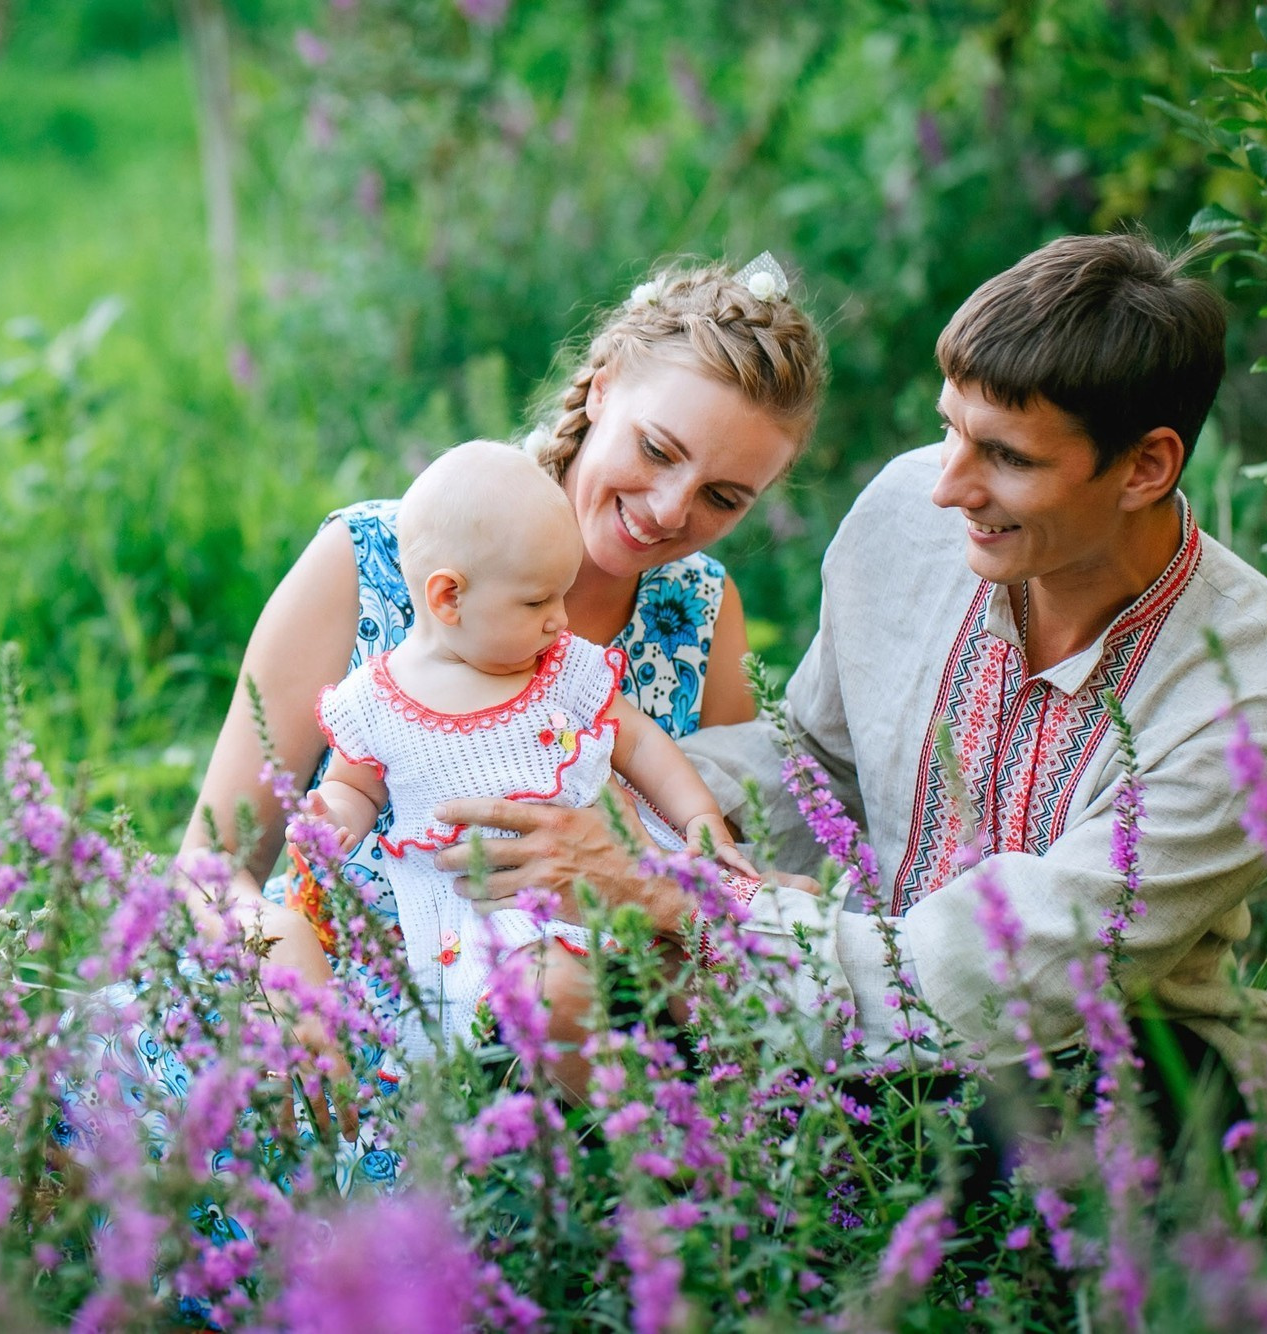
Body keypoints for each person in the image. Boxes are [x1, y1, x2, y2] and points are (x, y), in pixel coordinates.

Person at [439, 233, 1267, 1133]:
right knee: (540, 1009)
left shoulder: (1251, 703)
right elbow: (811, 762)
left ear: (1145, 467)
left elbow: (1003, 987)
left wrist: (686, 898)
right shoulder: (909, 514)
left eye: (1008, 458)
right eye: (951, 429)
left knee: (1022, 1140)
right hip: (836, 990)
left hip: (1098, 1065)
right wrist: (585, 805)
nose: (947, 488)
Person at [168, 256, 828, 1092]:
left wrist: (715, 896)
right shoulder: (372, 563)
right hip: (320, 1034)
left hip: (548, 1070)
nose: (670, 509)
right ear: (602, 389)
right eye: (657, 449)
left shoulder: (697, 612)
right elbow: (207, 866)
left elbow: (697, 873)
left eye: (724, 498)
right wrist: (284, 967)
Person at [285, 440, 753, 1090]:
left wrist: (700, 817)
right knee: (552, 995)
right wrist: (331, 819)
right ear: (448, 597)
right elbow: (353, 787)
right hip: (495, 907)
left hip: (615, 871)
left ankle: (738, 1101)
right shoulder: (377, 700)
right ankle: (627, 1121)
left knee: (701, 970)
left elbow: (640, 743)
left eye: (561, 596)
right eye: (537, 603)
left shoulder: (559, 667)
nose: (560, 619)